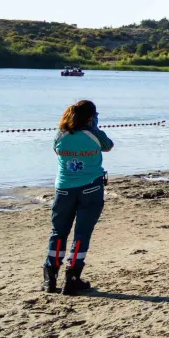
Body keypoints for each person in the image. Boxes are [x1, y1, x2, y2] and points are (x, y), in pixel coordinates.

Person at [44, 100, 114, 294]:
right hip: (90, 188)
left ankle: (50, 277)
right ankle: (72, 277)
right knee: (82, 234)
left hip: (64, 189)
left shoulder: (60, 134)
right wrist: (95, 128)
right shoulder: (94, 134)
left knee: (58, 232)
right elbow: (108, 146)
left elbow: (55, 149)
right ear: (91, 118)